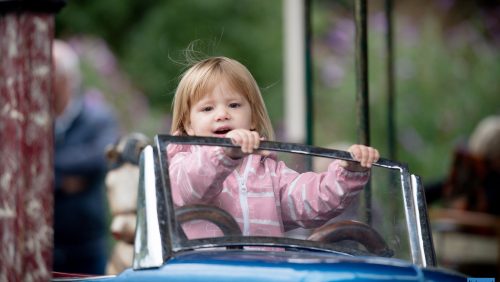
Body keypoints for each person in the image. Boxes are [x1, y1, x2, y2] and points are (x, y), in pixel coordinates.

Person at [168, 56, 379, 239]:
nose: (222, 114)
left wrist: (348, 172)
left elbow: (309, 201)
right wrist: (223, 153)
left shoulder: (269, 172)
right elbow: (191, 186)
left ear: (252, 118)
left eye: (234, 105)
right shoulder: (182, 162)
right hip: (205, 272)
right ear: (188, 125)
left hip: (264, 271)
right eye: (207, 108)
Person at [52, 39, 120, 274]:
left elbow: (102, 157)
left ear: (66, 79)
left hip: (86, 245)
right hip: (42, 244)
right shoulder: (32, 121)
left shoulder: (97, 119)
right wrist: (64, 181)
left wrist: (45, 168)